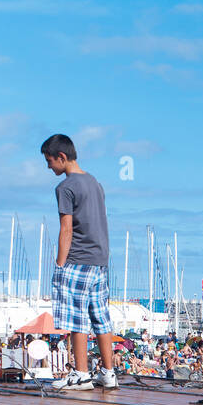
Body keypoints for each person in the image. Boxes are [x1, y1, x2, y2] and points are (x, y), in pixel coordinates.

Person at [42, 133, 118, 391]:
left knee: (76, 318)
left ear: (61, 158)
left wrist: (60, 264)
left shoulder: (65, 187)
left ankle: (82, 374)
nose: (48, 166)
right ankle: (108, 373)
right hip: (99, 259)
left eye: (49, 160)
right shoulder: (94, 182)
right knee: (100, 317)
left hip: (77, 259)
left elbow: (66, 229)